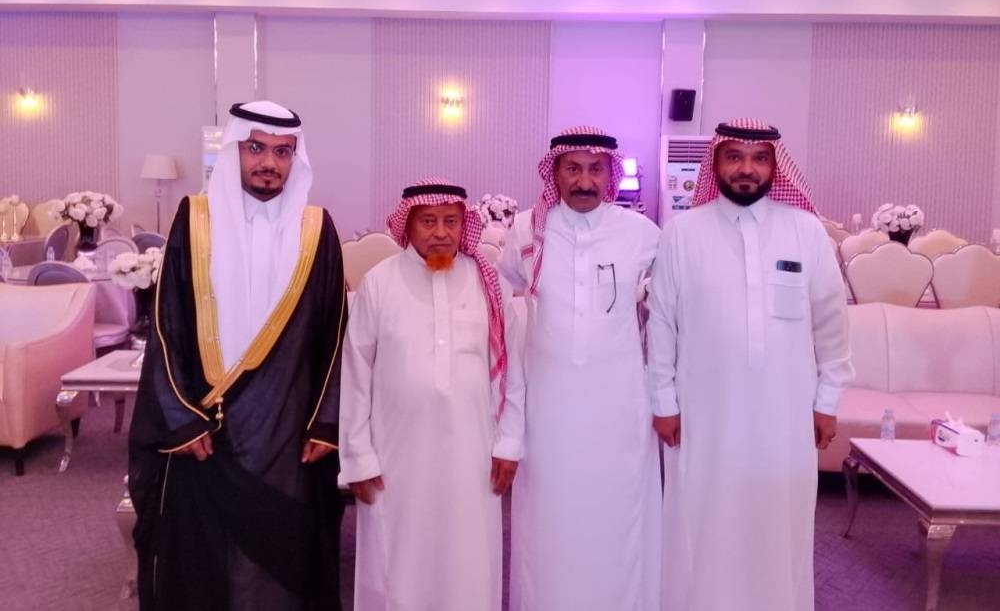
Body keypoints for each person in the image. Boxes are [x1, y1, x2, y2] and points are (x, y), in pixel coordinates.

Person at [128, 101, 348, 611]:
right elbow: (167, 323)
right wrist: (181, 418)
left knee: (280, 558)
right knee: (202, 557)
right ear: (235, 151)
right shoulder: (194, 219)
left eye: (282, 152)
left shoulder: (317, 229)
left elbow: (335, 333)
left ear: (295, 159)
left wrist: (326, 423)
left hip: (286, 429)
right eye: (256, 148)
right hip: (205, 426)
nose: (269, 162)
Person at [647, 118, 854, 611]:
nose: (747, 169)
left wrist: (827, 402)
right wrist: (663, 402)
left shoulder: (806, 232)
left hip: (785, 412)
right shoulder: (681, 233)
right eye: (734, 157)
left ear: (774, 167)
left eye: (759, 158)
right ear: (715, 163)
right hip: (704, 412)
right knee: (702, 517)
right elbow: (662, 323)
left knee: (778, 521)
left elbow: (831, 323)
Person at [339, 177, 525, 611]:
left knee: (468, 564)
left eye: (450, 221)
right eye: (428, 221)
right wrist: (358, 457)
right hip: (395, 458)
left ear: (464, 225)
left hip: (474, 455)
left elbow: (512, 373)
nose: (440, 232)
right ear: (408, 225)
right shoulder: (379, 283)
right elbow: (355, 374)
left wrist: (509, 444)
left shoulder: (489, 285)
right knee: (397, 566)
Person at [499, 126, 661, 611]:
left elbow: (669, 306)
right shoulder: (526, 230)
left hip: (618, 406)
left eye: (595, 169)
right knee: (549, 518)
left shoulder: (641, 233)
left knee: (617, 515)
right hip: (549, 407)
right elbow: (504, 297)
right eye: (572, 169)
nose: (584, 181)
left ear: (611, 174)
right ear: (555, 173)